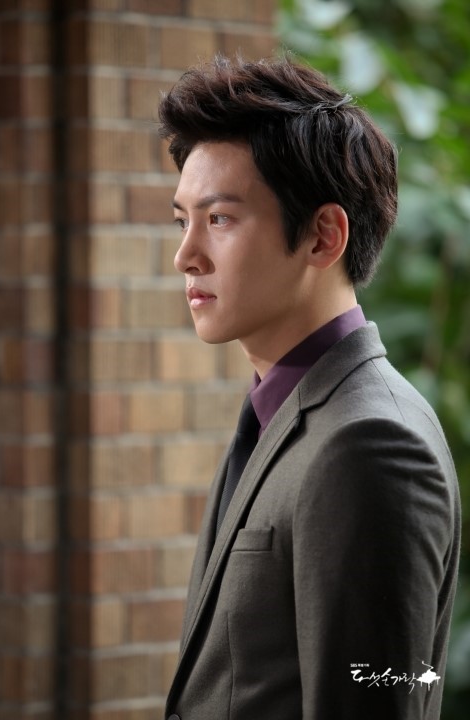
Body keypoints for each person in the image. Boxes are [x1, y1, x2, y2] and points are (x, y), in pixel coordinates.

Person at [158, 55, 460, 720]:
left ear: (324, 237)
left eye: (220, 218)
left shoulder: (372, 445)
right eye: (182, 220)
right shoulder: (279, 410)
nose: (186, 256)